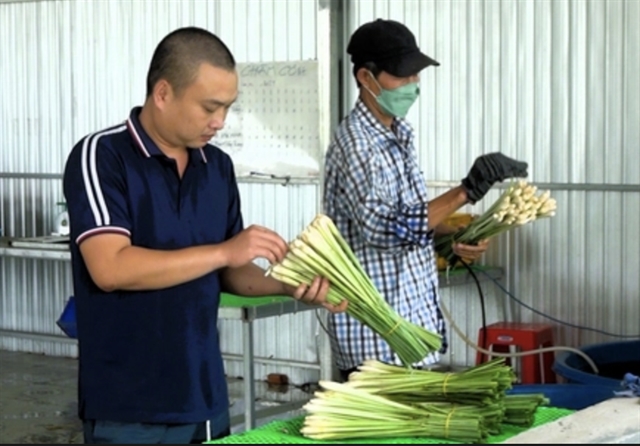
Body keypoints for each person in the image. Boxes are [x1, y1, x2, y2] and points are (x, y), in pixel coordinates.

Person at [63, 27, 346, 445]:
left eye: (228, 108)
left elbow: (231, 272)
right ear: (163, 94)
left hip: (206, 400)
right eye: (209, 107)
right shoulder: (102, 156)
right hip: (128, 406)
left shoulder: (216, 166)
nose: (220, 122)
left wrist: (291, 284)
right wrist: (223, 251)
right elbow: (110, 267)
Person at [323, 19, 528, 381]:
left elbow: (411, 221)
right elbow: (385, 229)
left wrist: (453, 235)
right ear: (365, 78)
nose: (412, 85)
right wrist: (465, 191)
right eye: (401, 76)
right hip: (377, 343)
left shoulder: (399, 134)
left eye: (416, 75)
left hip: (413, 332)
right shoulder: (356, 143)